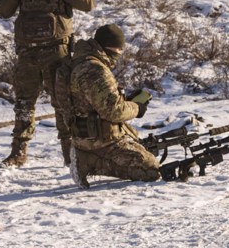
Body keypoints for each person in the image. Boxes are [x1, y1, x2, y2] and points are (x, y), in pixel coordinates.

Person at [0, 0, 95, 168]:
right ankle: (18, 153)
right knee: (23, 103)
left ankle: (70, 154)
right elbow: (2, 11)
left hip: (56, 51)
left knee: (62, 103)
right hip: (28, 53)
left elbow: (88, 3)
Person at [60, 24, 158, 189]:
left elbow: (90, 103)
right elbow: (113, 111)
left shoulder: (76, 63)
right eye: (119, 49)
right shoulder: (94, 69)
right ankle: (90, 162)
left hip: (84, 136)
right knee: (151, 168)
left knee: (142, 145)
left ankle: (86, 156)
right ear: (111, 47)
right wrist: (137, 108)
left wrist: (126, 100)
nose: (119, 53)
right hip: (102, 142)